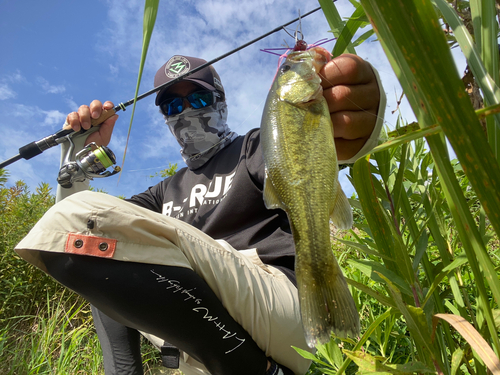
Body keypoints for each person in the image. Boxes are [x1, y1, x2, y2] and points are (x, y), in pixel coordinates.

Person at [15, 51, 385, 375]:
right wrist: (75, 155)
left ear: (221, 101)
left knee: (91, 232)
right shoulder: (163, 191)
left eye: (198, 97)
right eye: (173, 107)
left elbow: (321, 155)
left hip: (281, 306)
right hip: (204, 338)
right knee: (95, 252)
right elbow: (77, 229)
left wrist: (359, 115)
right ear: (165, 120)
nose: (187, 111)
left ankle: (251, 368)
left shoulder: (256, 146)